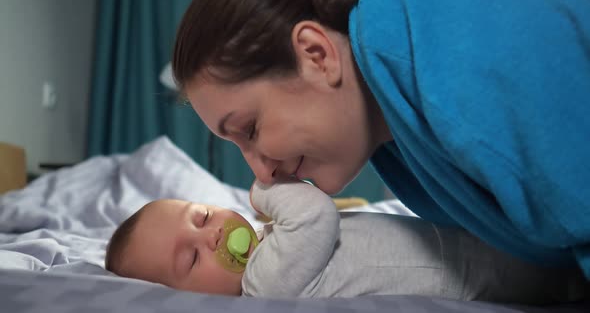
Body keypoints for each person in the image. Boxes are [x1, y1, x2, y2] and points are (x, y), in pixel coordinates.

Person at [170, 0, 590, 278]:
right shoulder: (389, 129)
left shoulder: (457, 45)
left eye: (251, 129)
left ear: (316, 55)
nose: (262, 174)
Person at [105, 179, 590, 302]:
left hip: (454, 242)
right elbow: (315, 212)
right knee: (558, 271)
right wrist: (262, 187)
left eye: (202, 216)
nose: (211, 236)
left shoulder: (270, 247)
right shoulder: (263, 284)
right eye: (190, 259)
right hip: (470, 272)